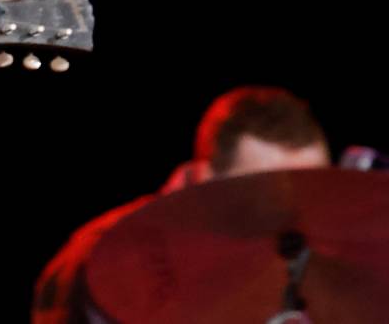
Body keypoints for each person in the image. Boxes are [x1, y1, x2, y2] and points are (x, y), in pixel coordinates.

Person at [31, 86, 332, 324]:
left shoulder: (304, 255)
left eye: (307, 191)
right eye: (263, 191)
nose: (287, 209)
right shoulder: (104, 254)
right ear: (206, 176)